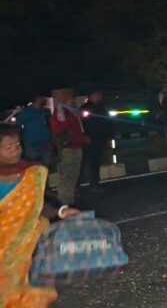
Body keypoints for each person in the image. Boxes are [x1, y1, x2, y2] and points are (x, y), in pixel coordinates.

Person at [0, 123, 80, 307]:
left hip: (25, 243)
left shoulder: (31, 172)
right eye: (8, 147)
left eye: (18, 144)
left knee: (25, 288)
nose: (16, 150)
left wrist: (61, 211)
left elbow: (38, 204)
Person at [49, 89, 87, 206]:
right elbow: (59, 127)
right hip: (68, 147)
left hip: (75, 145)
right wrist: (72, 118)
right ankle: (64, 205)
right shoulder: (61, 110)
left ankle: (69, 202)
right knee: (67, 178)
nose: (73, 100)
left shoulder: (71, 111)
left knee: (73, 177)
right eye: (71, 97)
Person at [79, 90, 113, 193]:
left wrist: (109, 136)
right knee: (86, 162)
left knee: (96, 161)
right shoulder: (85, 108)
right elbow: (83, 123)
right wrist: (85, 135)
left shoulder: (102, 107)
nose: (100, 97)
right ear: (91, 96)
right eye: (97, 95)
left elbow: (107, 122)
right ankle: (80, 185)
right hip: (90, 138)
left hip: (100, 137)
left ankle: (94, 184)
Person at [15, 94, 52, 170]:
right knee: (33, 168)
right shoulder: (26, 112)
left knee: (45, 169)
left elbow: (50, 125)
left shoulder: (45, 111)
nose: (44, 99)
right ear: (36, 99)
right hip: (31, 145)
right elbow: (18, 126)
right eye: (42, 97)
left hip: (45, 143)